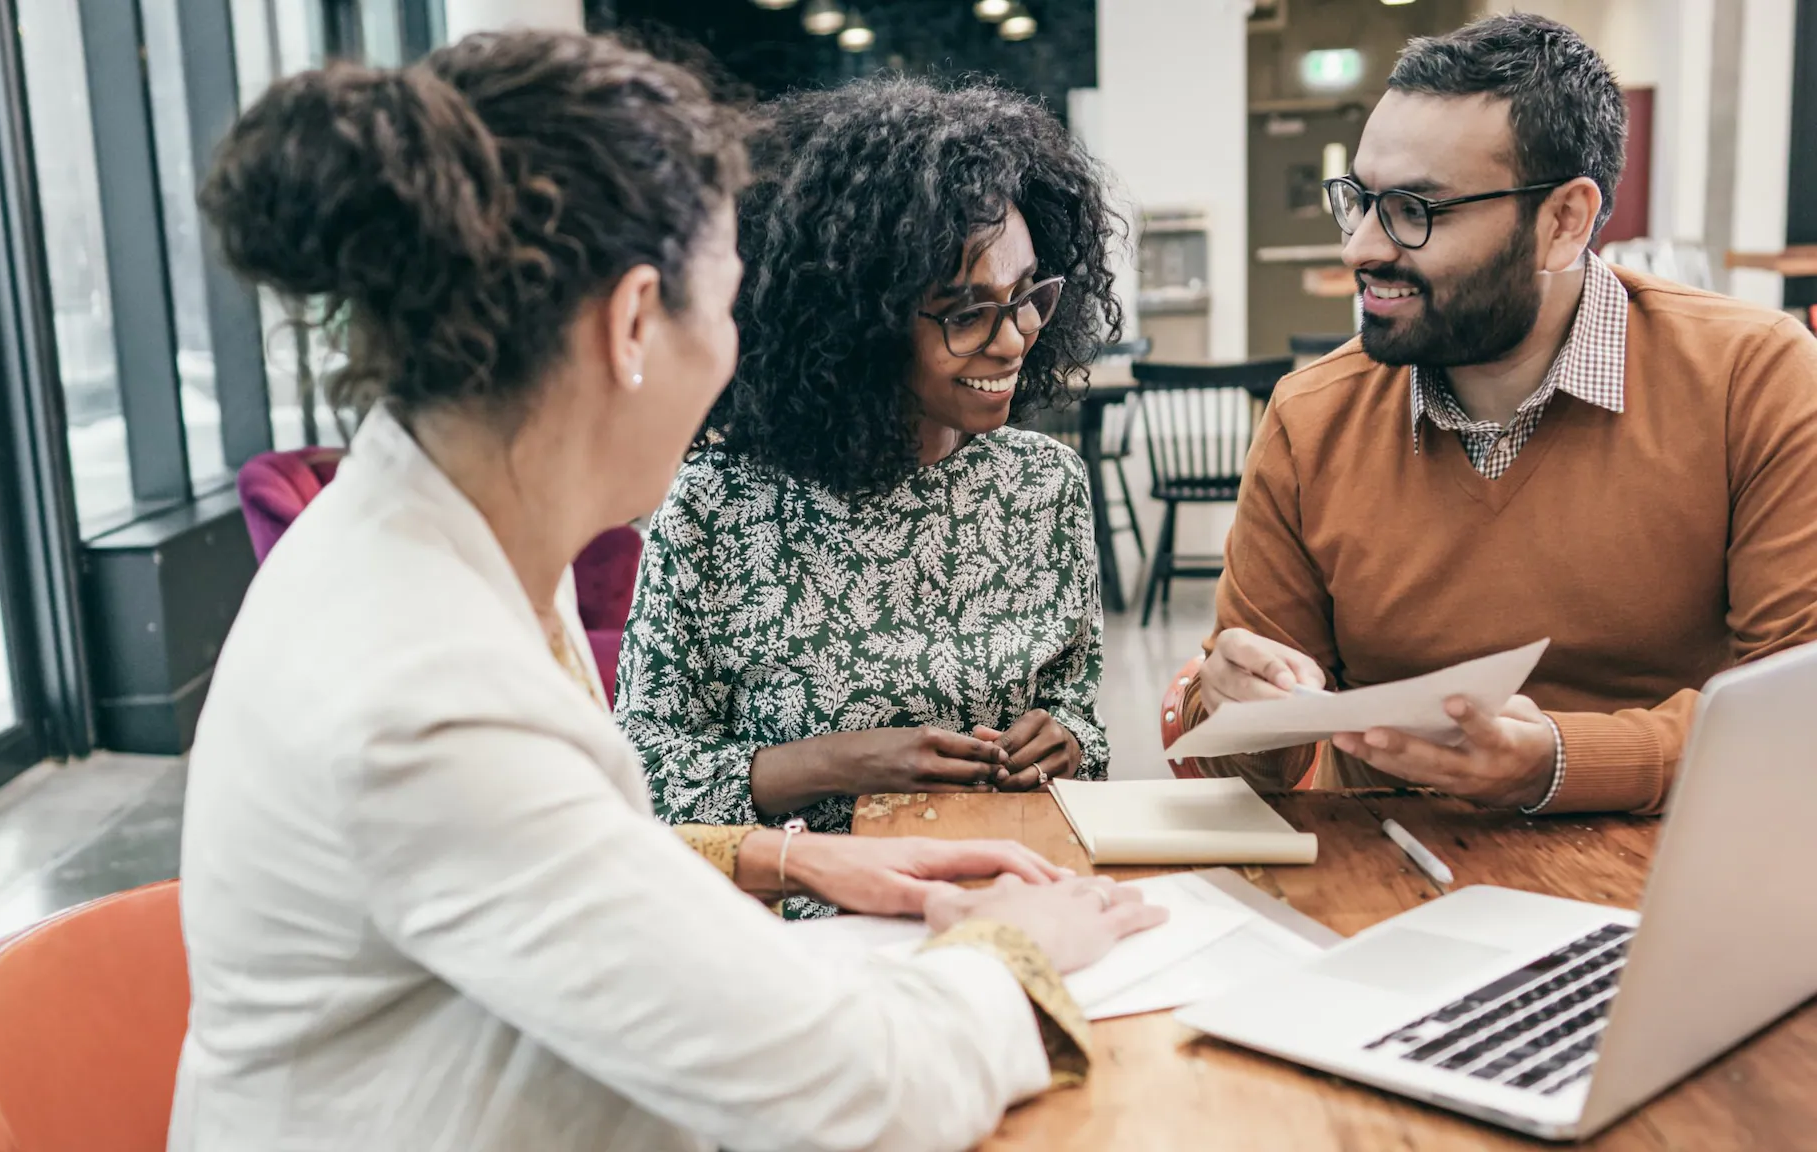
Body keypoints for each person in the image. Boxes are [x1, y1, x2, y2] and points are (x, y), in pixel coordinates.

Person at [172, 31, 1167, 1152]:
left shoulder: (446, 542)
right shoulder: (421, 694)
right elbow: (858, 1091)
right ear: (633, 322)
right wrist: (1011, 943)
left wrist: (790, 856)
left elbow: (564, 843)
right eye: (729, 305)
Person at [1178, 14, 1817, 814]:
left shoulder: (1751, 378)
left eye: (1415, 208)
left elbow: (1799, 718)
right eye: (1359, 201)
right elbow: (1240, 772)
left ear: (1564, 222)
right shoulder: (1313, 416)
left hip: (1668, 880)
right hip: (1391, 884)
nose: (1361, 249)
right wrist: (1233, 707)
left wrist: (1559, 762)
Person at [616, 77, 1125, 877]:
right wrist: (838, 763)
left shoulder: (1044, 487)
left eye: (1028, 296)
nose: (1012, 339)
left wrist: (1064, 739)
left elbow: (1082, 719)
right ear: (859, 324)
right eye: (965, 310)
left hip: (1018, 881)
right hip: (813, 912)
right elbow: (643, 772)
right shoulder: (720, 504)